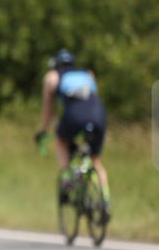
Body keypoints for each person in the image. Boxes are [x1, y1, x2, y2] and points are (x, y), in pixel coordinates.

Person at [35, 49, 110, 219]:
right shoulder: (87, 73)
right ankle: (105, 200)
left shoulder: (52, 77)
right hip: (98, 113)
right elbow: (93, 97)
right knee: (95, 160)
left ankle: (67, 178)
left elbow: (49, 110)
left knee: (61, 140)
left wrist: (43, 131)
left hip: (74, 114)